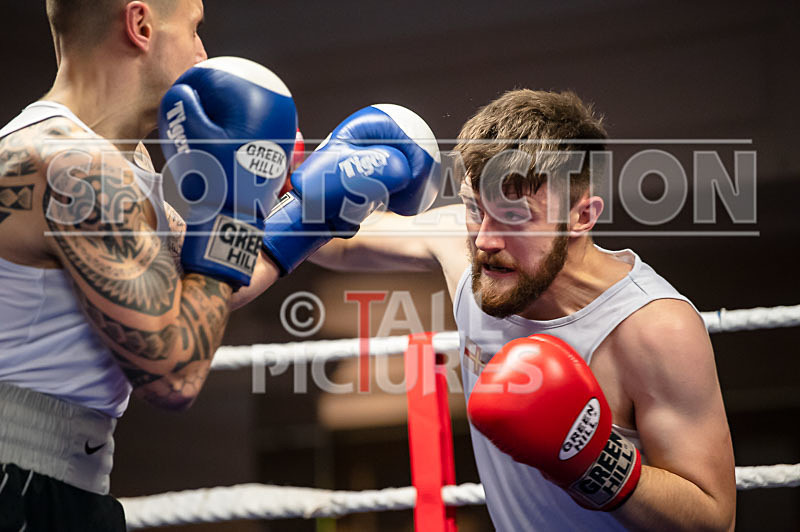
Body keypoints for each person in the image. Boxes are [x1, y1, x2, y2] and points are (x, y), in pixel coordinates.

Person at [301, 89, 737, 531]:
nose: (486, 240)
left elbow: (713, 520)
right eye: (475, 208)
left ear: (582, 217)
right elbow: (341, 245)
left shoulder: (653, 327)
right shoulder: (464, 242)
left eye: (514, 215)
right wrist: (294, 190)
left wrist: (597, 464)